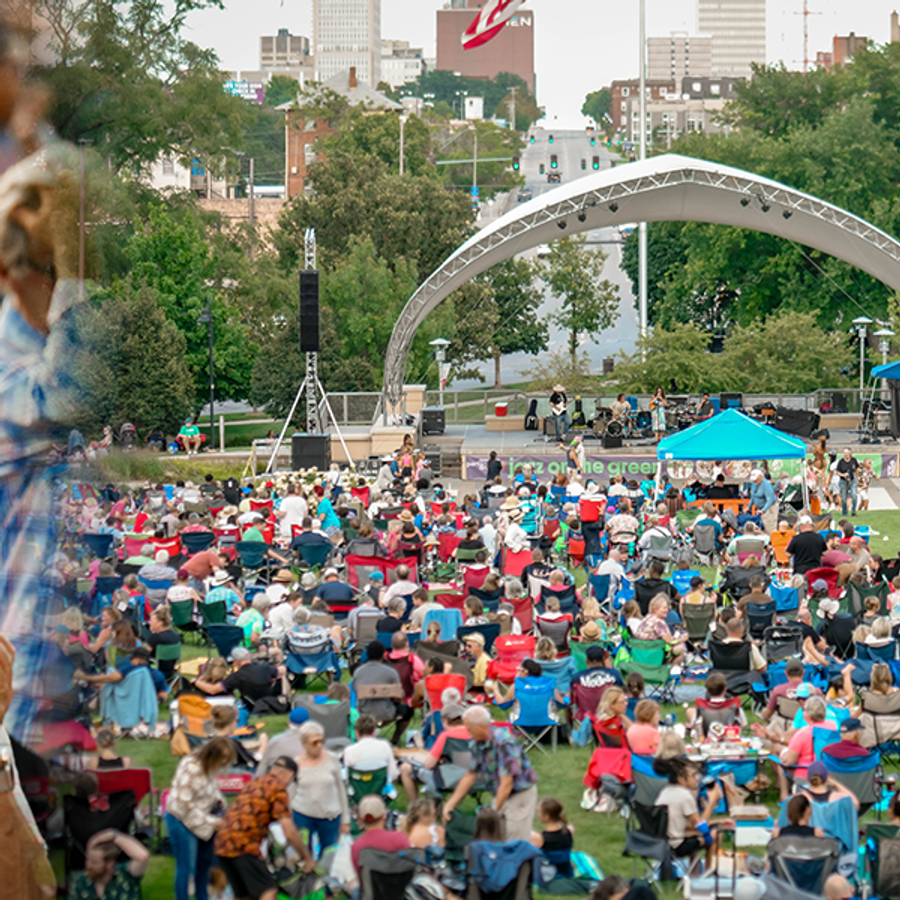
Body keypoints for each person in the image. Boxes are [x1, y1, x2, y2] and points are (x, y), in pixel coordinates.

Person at [215, 756, 315, 900]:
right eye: (291, 781)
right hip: (243, 845)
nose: (289, 784)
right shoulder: (278, 789)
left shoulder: (253, 783)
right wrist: (307, 858)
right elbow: (289, 832)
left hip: (222, 842)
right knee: (269, 890)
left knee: (243, 895)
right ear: (289, 775)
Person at [442, 706, 539, 841]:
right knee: (496, 837)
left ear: (481, 726)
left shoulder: (505, 743)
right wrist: (450, 804)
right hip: (499, 791)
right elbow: (470, 775)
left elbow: (507, 783)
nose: (469, 733)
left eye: (470, 729)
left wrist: (493, 812)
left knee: (514, 839)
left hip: (519, 794)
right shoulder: (477, 743)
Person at [165, 737, 236, 900]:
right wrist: (214, 821)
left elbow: (211, 788)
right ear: (212, 755)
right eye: (222, 761)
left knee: (204, 864)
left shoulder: (208, 766)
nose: (223, 765)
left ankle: (202, 896)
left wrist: (221, 805)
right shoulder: (191, 769)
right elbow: (184, 804)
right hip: (181, 819)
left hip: (202, 820)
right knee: (186, 867)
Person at [654, 756, 726, 868]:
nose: (697, 778)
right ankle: (708, 873)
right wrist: (712, 802)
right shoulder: (685, 796)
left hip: (659, 843)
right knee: (716, 834)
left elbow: (689, 824)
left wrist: (718, 822)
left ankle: (694, 873)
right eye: (693, 776)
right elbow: (700, 827)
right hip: (676, 846)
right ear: (681, 779)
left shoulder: (665, 791)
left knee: (695, 835)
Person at [290, 721, 350, 855]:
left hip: (329, 815)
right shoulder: (296, 763)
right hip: (302, 814)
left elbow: (340, 790)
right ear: (304, 744)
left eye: (321, 742)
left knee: (328, 854)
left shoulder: (332, 759)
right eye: (314, 743)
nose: (318, 746)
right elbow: (291, 791)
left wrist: (345, 820)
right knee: (304, 853)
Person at [350, 642, 412, 743]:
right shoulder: (391, 672)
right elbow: (397, 696)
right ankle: (395, 740)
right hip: (386, 714)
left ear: (367, 654)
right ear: (383, 655)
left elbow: (355, 691)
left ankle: (362, 738)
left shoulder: (358, 672)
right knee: (408, 710)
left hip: (363, 714)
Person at [68, 828, 150, 900]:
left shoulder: (126, 875)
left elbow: (143, 856)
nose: (88, 865)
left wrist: (113, 835)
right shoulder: (80, 882)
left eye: (94, 862)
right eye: (87, 860)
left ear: (110, 863)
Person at [194, 647, 287, 706]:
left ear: (237, 662)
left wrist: (196, 682)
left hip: (252, 706)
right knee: (282, 676)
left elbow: (212, 690)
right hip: (272, 703)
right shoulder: (265, 667)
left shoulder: (237, 677)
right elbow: (282, 671)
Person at [350, 795, 412, 875]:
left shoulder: (356, 846)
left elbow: (359, 874)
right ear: (383, 815)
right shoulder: (400, 838)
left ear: (361, 819)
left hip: (369, 883)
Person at [257, 707, 310, 775]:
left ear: (288, 723)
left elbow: (262, 770)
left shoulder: (275, 741)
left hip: (278, 780)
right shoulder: (314, 746)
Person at [530, 798, 575, 877]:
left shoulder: (539, 838)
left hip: (549, 877)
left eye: (539, 812)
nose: (538, 815)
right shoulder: (570, 830)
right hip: (567, 874)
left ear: (547, 817)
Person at [748, 469, 778, 534]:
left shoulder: (767, 485)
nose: (754, 481)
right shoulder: (754, 484)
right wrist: (748, 506)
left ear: (760, 477)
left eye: (756, 480)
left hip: (769, 508)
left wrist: (764, 510)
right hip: (760, 509)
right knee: (760, 528)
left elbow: (770, 499)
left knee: (769, 528)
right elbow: (753, 496)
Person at [836, 448, 859, 517]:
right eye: (845, 453)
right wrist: (843, 475)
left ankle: (853, 511)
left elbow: (856, 469)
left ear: (850, 454)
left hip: (852, 480)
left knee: (854, 495)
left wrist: (857, 479)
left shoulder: (853, 460)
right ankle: (844, 512)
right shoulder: (841, 462)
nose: (846, 455)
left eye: (847, 453)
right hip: (843, 481)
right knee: (843, 498)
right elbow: (837, 472)